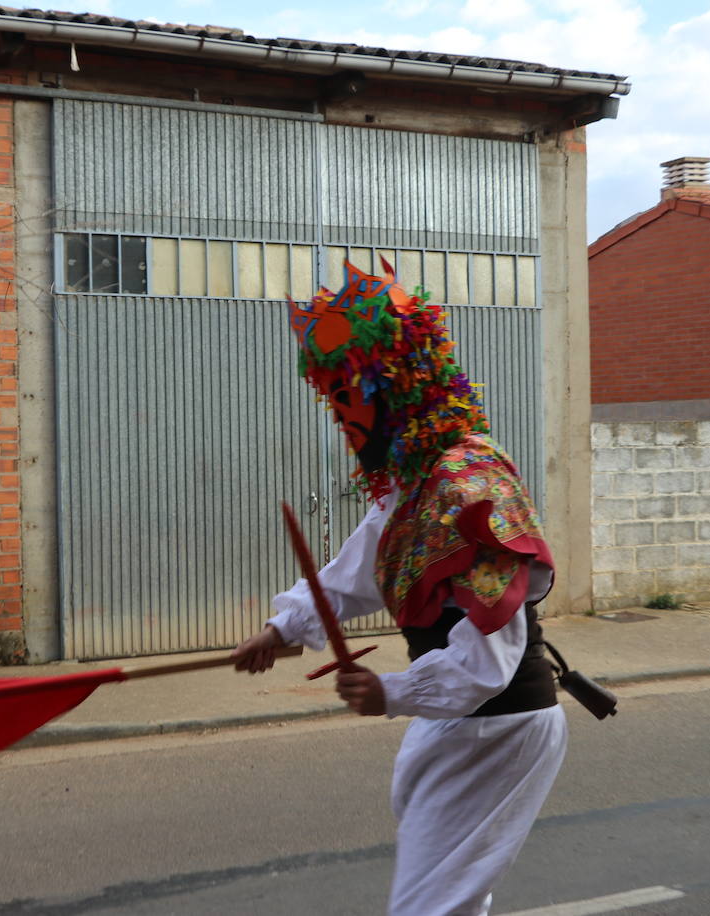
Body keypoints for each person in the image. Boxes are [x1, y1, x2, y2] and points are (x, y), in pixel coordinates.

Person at [232, 259, 565, 916]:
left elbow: (491, 658)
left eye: (350, 391)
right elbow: (354, 573)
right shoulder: (413, 484)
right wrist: (282, 630)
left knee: (429, 907)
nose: (343, 413)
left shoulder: (470, 487)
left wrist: (391, 691)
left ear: (398, 385)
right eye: (334, 396)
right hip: (463, 722)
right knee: (446, 900)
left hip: (496, 724)